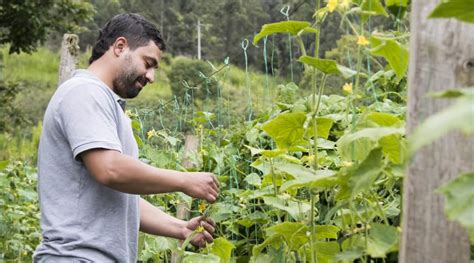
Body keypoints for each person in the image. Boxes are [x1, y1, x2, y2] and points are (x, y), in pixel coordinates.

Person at [33, 13, 219, 262]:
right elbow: (109, 170)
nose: (151, 77)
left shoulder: (107, 103)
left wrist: (180, 228)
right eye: (148, 62)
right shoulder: (84, 92)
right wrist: (185, 181)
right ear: (120, 46)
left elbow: (122, 201)